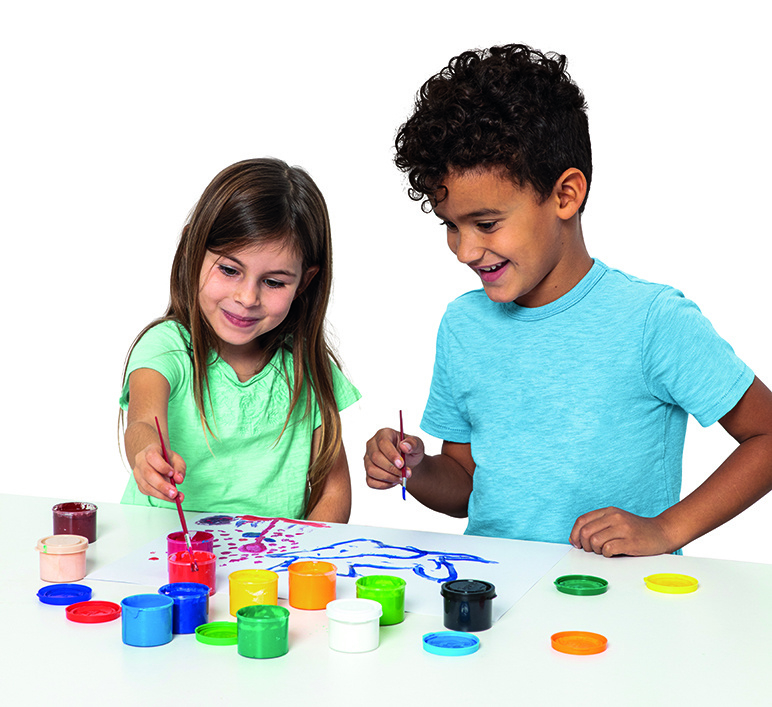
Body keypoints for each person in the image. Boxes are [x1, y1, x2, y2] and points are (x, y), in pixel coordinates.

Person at [364, 44, 772, 556]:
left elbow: (766, 435)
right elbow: (467, 485)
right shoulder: (463, 324)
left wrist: (667, 529)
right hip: (495, 588)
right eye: (451, 226)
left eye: (486, 223)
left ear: (565, 195)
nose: (464, 251)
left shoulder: (652, 320)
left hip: (619, 592)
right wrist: (416, 468)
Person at [121, 158, 359, 522]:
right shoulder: (166, 346)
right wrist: (147, 454)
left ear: (304, 282)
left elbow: (334, 490)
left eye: (274, 282)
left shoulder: (306, 367)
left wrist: (302, 550)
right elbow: (141, 422)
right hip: (160, 548)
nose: (247, 298)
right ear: (192, 252)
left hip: (273, 558)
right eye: (229, 270)